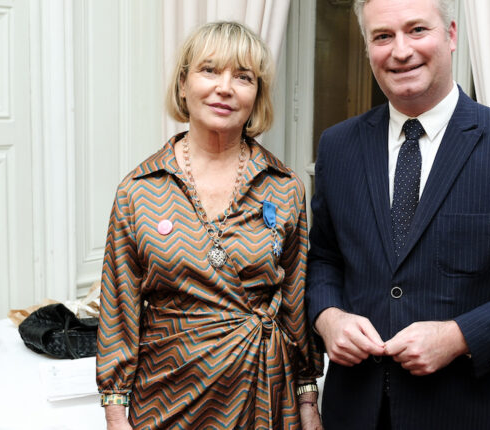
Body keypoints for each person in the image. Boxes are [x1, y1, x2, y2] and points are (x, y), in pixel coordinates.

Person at [305, 0, 490, 429]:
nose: (400, 51)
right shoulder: (337, 147)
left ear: (451, 35)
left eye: (417, 30)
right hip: (354, 411)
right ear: (367, 47)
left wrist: (459, 336)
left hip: (466, 411)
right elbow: (324, 257)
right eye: (382, 36)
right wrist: (328, 316)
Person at [96, 21, 323, 430]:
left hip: (264, 394)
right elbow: (118, 310)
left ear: (257, 95)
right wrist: (115, 412)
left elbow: (295, 305)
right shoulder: (139, 191)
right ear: (183, 84)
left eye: (243, 77)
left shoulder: (285, 188)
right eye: (210, 70)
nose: (225, 87)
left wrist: (308, 403)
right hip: (167, 398)